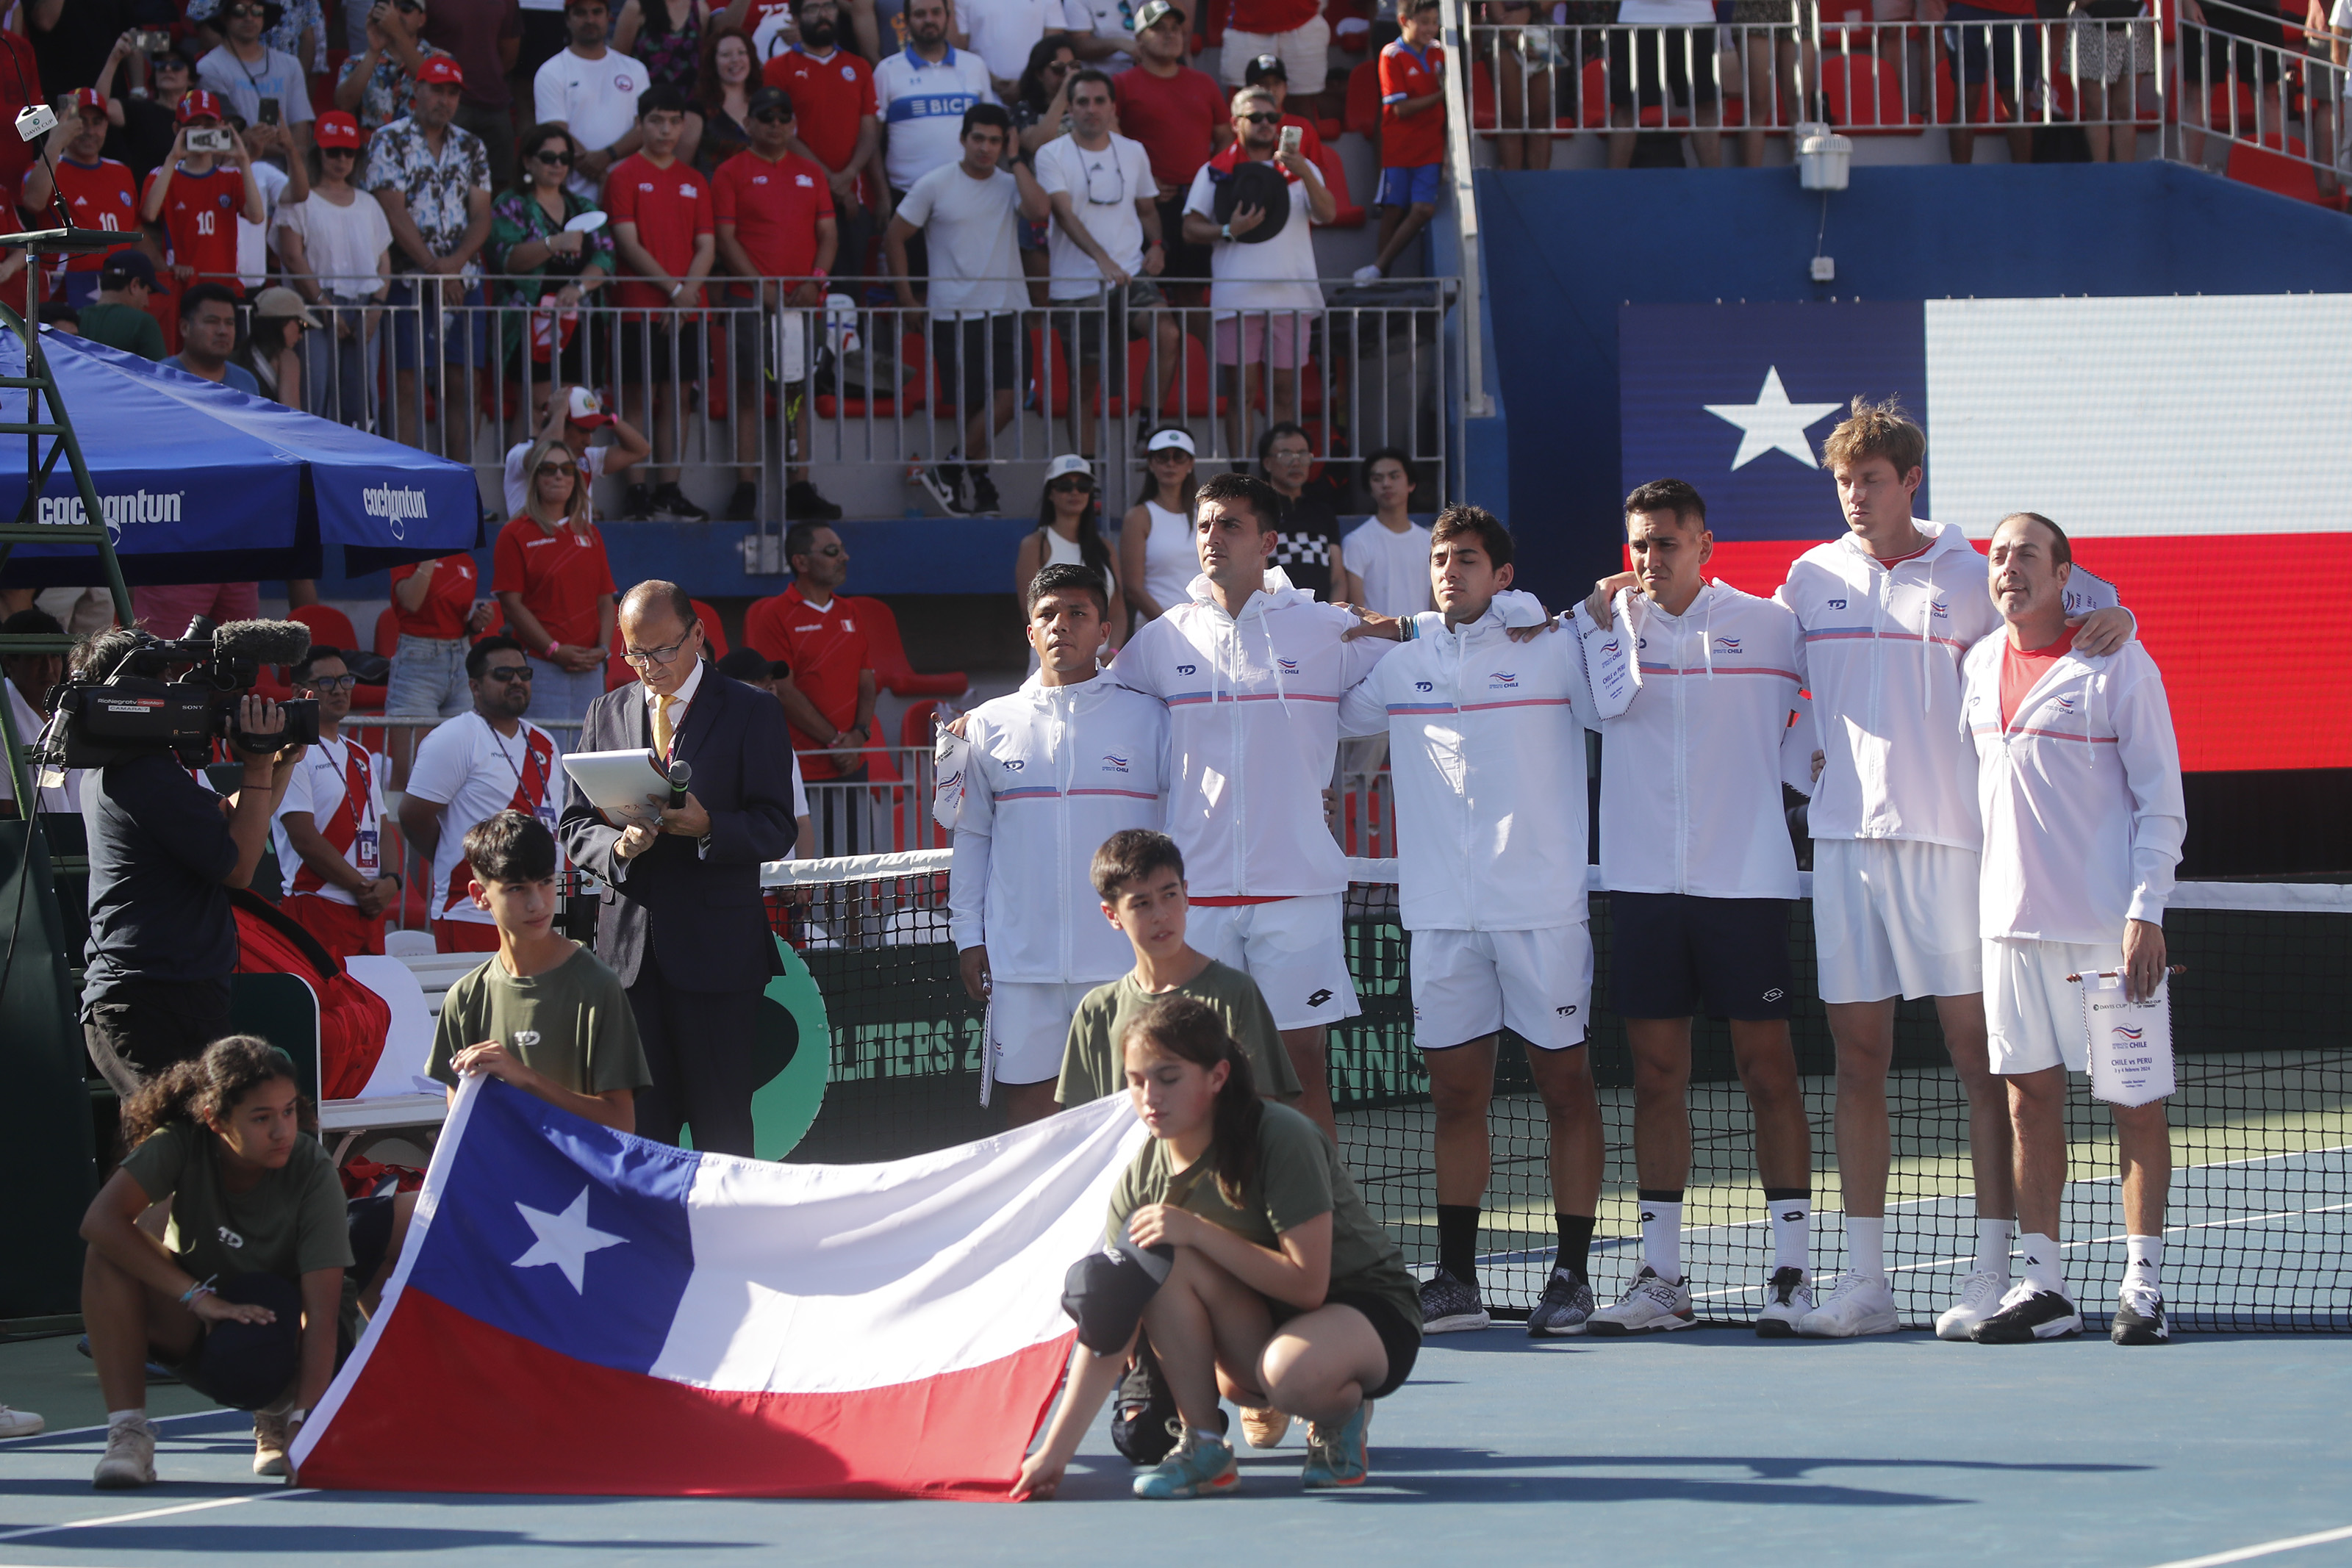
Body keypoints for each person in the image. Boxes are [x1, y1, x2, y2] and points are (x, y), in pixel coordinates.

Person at [1772, 398, 2134, 1341]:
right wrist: (1799, 762)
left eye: (1872, 481)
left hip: (1956, 852)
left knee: (1980, 1065)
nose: (1856, 497)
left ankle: (1988, 1272)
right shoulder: (1808, 577)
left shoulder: (1974, 570)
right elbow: (1760, 678)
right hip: (1846, 848)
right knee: (1856, 1061)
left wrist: (2118, 610)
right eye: (1844, 482)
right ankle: (1863, 1284)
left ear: (1909, 483)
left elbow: (2076, 597)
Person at [1338, 506, 1618, 1337]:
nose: (1449, 570)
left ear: (1501, 576)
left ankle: (1570, 1274)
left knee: (1563, 1088)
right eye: (1438, 559)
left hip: (1540, 910)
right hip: (1439, 920)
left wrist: (1561, 613)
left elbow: (1615, 701)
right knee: (1454, 1095)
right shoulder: (1401, 665)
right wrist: (1351, 628)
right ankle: (1454, 1278)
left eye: (1466, 559)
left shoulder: (1552, 645)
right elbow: (1315, 707)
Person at [1571, 478, 1821, 1337]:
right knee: (1654, 1081)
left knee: (1769, 1077)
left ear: (1703, 547)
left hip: (1745, 884)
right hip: (1641, 888)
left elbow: (1836, 689)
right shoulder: (1601, 627)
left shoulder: (1768, 622)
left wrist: (1785, 770)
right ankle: (1662, 1281)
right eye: (1638, 544)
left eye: (1666, 542)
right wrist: (1594, 621)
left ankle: (1790, 1271)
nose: (1649, 559)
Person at [1017, 996, 1417, 1500]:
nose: (1149, 1096)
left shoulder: (1280, 1135)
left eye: (1169, 1077)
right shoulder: (1141, 1177)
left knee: (1290, 1377)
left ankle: (1341, 1412)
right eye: (1137, 1080)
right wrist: (1054, 1453)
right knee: (1166, 1274)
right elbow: (1110, 1326)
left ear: (1217, 1076)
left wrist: (1199, 1231)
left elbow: (1309, 1286)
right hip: (1267, 1319)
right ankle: (1204, 1443)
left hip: (1366, 1308)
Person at [1108, 472, 1407, 1138]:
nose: (1212, 537)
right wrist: (978, 730)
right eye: (1205, 524)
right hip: (1199, 897)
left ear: (1269, 541)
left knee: (1300, 1067)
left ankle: (1320, 1234)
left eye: (1231, 524)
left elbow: (1428, 652)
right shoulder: (1163, 638)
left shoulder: (1328, 629)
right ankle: (1213, 1230)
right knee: (1193, 1075)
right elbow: (1090, 705)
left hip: (1297, 890)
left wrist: (1524, 615)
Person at [1960, 512, 2184, 1346]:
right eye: (1997, 556)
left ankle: (2142, 1284)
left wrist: (2143, 910)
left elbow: (2160, 799)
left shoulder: (2116, 659)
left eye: (2025, 554)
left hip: (2105, 931)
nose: (2008, 567)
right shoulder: (1979, 665)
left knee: (2134, 1107)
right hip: (2007, 930)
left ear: (2064, 576)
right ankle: (2044, 1285)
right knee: (2028, 1107)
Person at [559, 580, 799, 1155]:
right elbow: (573, 827)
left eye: (663, 650)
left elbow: (777, 825)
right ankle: (652, 1243)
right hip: (628, 962)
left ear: (697, 635)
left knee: (723, 1132)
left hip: (719, 957)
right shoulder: (606, 710)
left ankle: (727, 1244)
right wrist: (618, 851)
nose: (650, 666)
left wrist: (708, 826)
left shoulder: (753, 710)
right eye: (634, 653)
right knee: (642, 1134)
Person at [79, 1036, 357, 1489]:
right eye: (262, 1118)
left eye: (289, 1111)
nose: (283, 1130)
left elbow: (323, 1315)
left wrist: (306, 1423)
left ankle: (279, 1414)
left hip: (284, 1339)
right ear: (214, 1119)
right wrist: (198, 1299)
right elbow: (101, 1221)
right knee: (105, 1255)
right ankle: (128, 1435)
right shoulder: (180, 1144)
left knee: (266, 1316)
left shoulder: (311, 1168)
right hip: (206, 1320)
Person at [948, 566, 1167, 1124]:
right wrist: (968, 936)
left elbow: (1186, 825)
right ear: (1030, 631)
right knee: (1028, 1109)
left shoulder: (1152, 718)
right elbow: (972, 837)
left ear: (1104, 631)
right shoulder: (987, 725)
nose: (1061, 625)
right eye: (1047, 614)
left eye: (1077, 614)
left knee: (1129, 1112)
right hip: (1020, 963)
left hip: (1124, 959)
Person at [80, 641, 301, 1096]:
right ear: (130, 697)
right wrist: (256, 765)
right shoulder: (142, 773)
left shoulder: (134, 766)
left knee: (191, 1154)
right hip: (152, 1001)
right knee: (180, 1152)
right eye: (164, 686)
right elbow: (238, 867)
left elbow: (237, 822)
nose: (177, 699)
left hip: (164, 996)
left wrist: (277, 764)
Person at [429, 810, 653, 1128]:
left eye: (545, 882)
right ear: (480, 896)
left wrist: (524, 1079)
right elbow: (461, 1126)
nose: (538, 903)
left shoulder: (596, 986)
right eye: (516, 889)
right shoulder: (465, 998)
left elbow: (620, 1123)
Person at [1058, 831, 1302, 1110]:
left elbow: (1262, 1115)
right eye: (1141, 904)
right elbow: (1085, 1129)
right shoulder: (1095, 1012)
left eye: (1169, 895)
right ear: (1112, 915)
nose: (1161, 914)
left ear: (1186, 895)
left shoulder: (1236, 993)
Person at [887, 103, 1049, 518]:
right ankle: (976, 484)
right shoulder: (934, 184)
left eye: (995, 140)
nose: (986, 147)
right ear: (963, 139)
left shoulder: (1011, 182)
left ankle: (949, 469)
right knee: (977, 408)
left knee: (1010, 400)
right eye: (979, 138)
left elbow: (1040, 211)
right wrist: (908, 300)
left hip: (1009, 310)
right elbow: (894, 238)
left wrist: (1016, 160)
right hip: (953, 314)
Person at [711, 83, 842, 522]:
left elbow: (828, 234)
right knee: (748, 392)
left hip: (804, 303)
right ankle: (745, 487)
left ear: (793, 124)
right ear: (748, 123)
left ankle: (799, 486)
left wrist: (816, 282)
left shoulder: (812, 172)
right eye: (765, 117)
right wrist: (762, 288)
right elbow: (726, 239)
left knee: (799, 395)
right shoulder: (730, 172)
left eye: (783, 117)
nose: (775, 125)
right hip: (750, 300)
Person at [1036, 67, 1180, 458]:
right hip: (1076, 285)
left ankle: (1148, 428)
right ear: (1070, 107)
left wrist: (1158, 245)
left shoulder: (1133, 150)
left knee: (1167, 332)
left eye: (1100, 101)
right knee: (1084, 386)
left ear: (1113, 106)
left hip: (1130, 275)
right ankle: (1085, 476)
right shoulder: (1051, 153)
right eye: (1082, 101)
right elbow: (1063, 215)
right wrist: (1101, 259)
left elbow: (1148, 209)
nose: (1092, 109)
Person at [1183, 87, 1333, 464]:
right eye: (1256, 117)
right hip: (1237, 297)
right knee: (1241, 393)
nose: (1266, 124)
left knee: (1285, 391)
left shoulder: (1300, 167)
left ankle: (1282, 478)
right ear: (1235, 123)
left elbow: (1328, 213)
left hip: (1293, 298)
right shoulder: (1215, 170)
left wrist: (1303, 172)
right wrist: (1227, 230)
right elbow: (1189, 228)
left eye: (1272, 117)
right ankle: (1242, 478)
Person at [363, 54, 494, 463]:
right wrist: (437, 270)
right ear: (413, 90)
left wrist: (453, 265)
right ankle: (407, 479)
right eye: (437, 89)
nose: (445, 100)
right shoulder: (388, 139)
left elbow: (482, 214)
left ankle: (461, 480)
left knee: (465, 383)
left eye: (453, 92)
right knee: (406, 381)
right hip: (408, 279)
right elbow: (392, 211)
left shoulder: (472, 145)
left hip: (463, 279)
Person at [400, 635, 564, 954]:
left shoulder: (544, 741)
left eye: (523, 674)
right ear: (475, 687)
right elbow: (413, 816)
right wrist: (457, 857)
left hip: (539, 910)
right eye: (503, 675)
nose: (516, 681)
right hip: (473, 911)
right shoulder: (455, 737)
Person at [606, 84, 717, 525]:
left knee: (679, 397)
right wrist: (676, 291)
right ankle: (636, 491)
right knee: (636, 395)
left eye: (674, 121)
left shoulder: (694, 180)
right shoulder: (623, 174)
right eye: (656, 120)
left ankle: (669, 489)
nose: (666, 129)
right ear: (640, 124)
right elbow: (626, 242)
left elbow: (706, 245)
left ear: (684, 125)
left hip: (687, 307)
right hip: (637, 304)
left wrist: (685, 293)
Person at [743, 522, 881, 850]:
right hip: (801, 770)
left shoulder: (852, 612)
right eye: (833, 552)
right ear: (801, 562)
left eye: (843, 549)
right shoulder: (772, 614)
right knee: (807, 875)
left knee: (856, 871)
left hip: (851, 764)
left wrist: (859, 735)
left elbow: (867, 681)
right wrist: (836, 742)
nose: (844, 557)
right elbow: (782, 690)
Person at [273, 646, 400, 961]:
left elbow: (382, 828)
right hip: (317, 903)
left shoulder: (360, 754)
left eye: (345, 681)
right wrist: (363, 888)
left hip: (368, 909)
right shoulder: (291, 752)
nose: (339, 690)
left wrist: (392, 882)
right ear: (298, 691)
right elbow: (304, 837)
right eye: (326, 683)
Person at [494, 436, 620, 729]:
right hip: (540, 665)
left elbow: (605, 601)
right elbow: (511, 605)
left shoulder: (590, 534)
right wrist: (553, 650)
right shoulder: (514, 533)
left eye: (566, 469)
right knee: (545, 757)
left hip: (590, 667)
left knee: (587, 759)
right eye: (548, 469)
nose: (559, 475)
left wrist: (603, 651)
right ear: (534, 477)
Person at [488, 123, 617, 390]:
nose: (557, 164)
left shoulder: (583, 206)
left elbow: (606, 257)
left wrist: (577, 287)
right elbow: (507, 259)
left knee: (579, 411)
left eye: (564, 158)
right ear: (527, 161)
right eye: (548, 158)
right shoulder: (510, 203)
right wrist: (554, 243)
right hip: (530, 319)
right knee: (538, 408)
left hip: (581, 320)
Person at [1114, 0, 1230, 289]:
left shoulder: (1204, 83)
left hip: (1198, 203)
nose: (1170, 35)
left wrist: (1210, 181)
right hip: (1148, 206)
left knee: (1195, 291)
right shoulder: (1120, 85)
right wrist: (1144, 183)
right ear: (1139, 39)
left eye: (1176, 28)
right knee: (1150, 291)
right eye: (1159, 29)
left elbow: (1226, 137)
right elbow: (1110, 144)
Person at [761, 0, 879, 282]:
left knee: (851, 293)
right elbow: (782, 132)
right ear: (797, 17)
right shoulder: (778, 68)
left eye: (828, 6)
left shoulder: (859, 67)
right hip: (801, 198)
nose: (822, 14)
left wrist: (848, 176)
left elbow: (869, 131)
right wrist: (832, 181)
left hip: (855, 198)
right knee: (807, 286)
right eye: (813, 8)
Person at [872, 0, 998, 206]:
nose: (929, 20)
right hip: (907, 196)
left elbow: (992, 131)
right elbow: (873, 141)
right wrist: (882, 195)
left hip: (971, 193)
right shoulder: (887, 71)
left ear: (948, 17)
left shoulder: (975, 66)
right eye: (920, 14)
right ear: (907, 21)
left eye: (936, 12)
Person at [140, 92, 265, 289]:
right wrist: (173, 157)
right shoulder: (162, 175)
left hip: (225, 285)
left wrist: (243, 160)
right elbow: (149, 213)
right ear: (177, 129)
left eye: (209, 125)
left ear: (221, 127)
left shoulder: (230, 177)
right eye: (193, 125)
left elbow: (257, 216)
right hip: (182, 285)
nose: (201, 131)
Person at [1356, 0, 1443, 283]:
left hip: (1431, 146)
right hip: (1399, 147)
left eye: (1434, 21)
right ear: (1404, 21)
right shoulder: (1391, 54)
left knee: (1422, 209)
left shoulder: (1441, 52)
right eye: (1425, 22)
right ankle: (1381, 280)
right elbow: (1400, 108)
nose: (1431, 28)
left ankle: (1378, 268)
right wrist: (1443, 96)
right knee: (1393, 210)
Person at [23, 90, 139, 298]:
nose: (89, 130)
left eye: (97, 122)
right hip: (65, 291)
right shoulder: (45, 168)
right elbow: (33, 202)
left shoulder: (122, 172)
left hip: (119, 289)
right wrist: (56, 140)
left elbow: (136, 229)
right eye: (81, 121)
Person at [533, 0, 651, 191]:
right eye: (581, 13)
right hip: (572, 193)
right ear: (568, 19)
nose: (590, 20)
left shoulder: (635, 70)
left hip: (629, 191)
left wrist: (607, 156)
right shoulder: (551, 71)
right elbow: (555, 131)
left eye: (597, 12)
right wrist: (598, 169)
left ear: (608, 16)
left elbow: (644, 127)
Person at [1015, 456, 1126, 647]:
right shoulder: (1035, 544)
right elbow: (1031, 612)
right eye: (1065, 486)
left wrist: (1114, 651)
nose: (1075, 492)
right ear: (1050, 493)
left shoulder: (1105, 547)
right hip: (1055, 662)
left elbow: (1117, 610)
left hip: (1101, 664)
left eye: (1083, 486)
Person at [712, 646, 815, 852]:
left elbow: (801, 822)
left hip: (784, 880)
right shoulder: (710, 748)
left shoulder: (782, 747)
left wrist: (803, 881)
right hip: (737, 877)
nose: (770, 687)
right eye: (757, 681)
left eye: (770, 681)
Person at [499, 383, 651, 522]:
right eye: (583, 431)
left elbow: (640, 450)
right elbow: (543, 457)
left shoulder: (586, 457)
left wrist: (609, 416)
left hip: (577, 548)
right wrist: (559, 413)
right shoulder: (519, 453)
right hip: (535, 547)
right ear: (561, 424)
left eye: (591, 432)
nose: (588, 441)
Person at [196, 0, 318, 173]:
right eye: (239, 11)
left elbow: (300, 126)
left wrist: (294, 162)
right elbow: (228, 131)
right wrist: (287, 148)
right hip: (233, 172)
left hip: (285, 175)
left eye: (257, 11)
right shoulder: (209, 67)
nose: (249, 17)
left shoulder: (290, 65)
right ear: (224, 17)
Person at [420, 0, 526, 181]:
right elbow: (415, 41)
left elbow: (509, 52)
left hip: (494, 102)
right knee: (441, 183)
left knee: (501, 185)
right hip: (446, 104)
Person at [386, 550, 498, 721]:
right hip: (419, 660)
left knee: (462, 744)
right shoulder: (406, 553)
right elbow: (411, 602)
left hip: (461, 661)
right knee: (414, 745)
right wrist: (431, 554)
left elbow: (458, 621)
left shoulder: (466, 561)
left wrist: (476, 625)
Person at [1609, 0, 1723, 167]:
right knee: (1627, 105)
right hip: (1638, 17)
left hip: (1697, 17)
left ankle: (1715, 185)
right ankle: (1612, 187)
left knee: (1705, 104)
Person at [0, 608, 78, 817]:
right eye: (36, 657)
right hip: (33, 847)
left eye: (55, 656)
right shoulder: (3, 720)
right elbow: (4, 817)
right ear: (9, 663)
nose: (48, 668)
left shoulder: (73, 712)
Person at [336, 0, 456, 132]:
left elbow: (434, 81)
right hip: (372, 150)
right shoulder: (356, 62)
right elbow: (343, 105)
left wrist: (397, 32)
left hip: (422, 150)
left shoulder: (441, 59)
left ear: (421, 20)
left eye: (405, 8)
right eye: (386, 7)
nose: (394, 14)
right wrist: (373, 51)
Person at [1119, 425, 1198, 630]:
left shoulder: (1207, 513)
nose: (1170, 463)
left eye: (1179, 456)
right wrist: (1172, 627)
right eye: (1162, 457)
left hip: (1208, 629)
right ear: (1151, 464)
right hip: (1158, 629)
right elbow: (1133, 589)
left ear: (1191, 463)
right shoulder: (1139, 517)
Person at [1257, 421, 1346, 600]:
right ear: (1267, 463)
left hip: (1322, 618)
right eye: (1286, 455)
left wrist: (1334, 617)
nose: (1296, 462)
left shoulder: (1323, 513)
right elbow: (1259, 574)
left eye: (1303, 455)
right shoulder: (1258, 511)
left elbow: (1338, 579)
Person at [1338, 448, 1431, 617]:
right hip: (1376, 642)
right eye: (1377, 479)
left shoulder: (1429, 542)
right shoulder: (1356, 541)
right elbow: (1358, 611)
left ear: (1411, 484)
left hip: (1424, 641)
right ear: (1370, 488)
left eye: (1394, 476)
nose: (1386, 484)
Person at [166, 282, 264, 396]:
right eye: (212, 321)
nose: (223, 331)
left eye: (229, 323)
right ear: (185, 328)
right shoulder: (159, 380)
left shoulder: (247, 383)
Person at [237, 286, 323, 406]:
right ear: (282, 322)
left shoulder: (236, 355)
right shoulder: (287, 357)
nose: (300, 336)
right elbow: (290, 412)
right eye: (301, 325)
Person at [692, 24, 759, 175]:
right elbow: (682, 168)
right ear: (712, 61)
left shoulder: (764, 102)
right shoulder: (698, 109)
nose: (735, 60)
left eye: (742, 52)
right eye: (726, 55)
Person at [79, 250, 169, 360]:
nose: (147, 303)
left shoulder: (75, 318)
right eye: (147, 292)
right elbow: (160, 375)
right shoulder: (144, 323)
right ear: (134, 285)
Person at [615, 0, 713, 96]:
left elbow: (700, 58)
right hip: (644, 100)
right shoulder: (636, 6)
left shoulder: (700, 10)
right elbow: (619, 59)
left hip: (685, 102)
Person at [1241, 53, 1327, 161]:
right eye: (1263, 83)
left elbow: (1319, 175)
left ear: (1285, 88)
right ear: (1247, 90)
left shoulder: (1303, 127)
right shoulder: (1241, 125)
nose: (1271, 89)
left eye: (1276, 83)